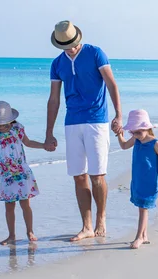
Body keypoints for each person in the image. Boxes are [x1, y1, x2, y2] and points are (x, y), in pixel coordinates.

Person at [45, 20, 123, 241]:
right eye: (65, 45)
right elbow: (53, 99)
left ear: (78, 39)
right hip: (72, 122)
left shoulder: (96, 53)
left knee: (97, 175)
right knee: (79, 176)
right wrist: (49, 132)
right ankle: (86, 226)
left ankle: (101, 219)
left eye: (72, 44)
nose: (70, 48)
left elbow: (111, 84)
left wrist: (118, 114)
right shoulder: (57, 64)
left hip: (96, 121)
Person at [0, 101, 42, 245]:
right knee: (9, 206)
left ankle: (30, 231)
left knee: (25, 204)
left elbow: (28, 143)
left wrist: (44, 146)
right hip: (6, 174)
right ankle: (11, 235)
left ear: (11, 120)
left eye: (4, 123)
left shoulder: (18, 129)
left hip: (21, 171)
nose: (2, 126)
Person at [116, 109, 158, 249]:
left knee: (143, 209)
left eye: (139, 132)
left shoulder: (155, 143)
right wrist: (119, 135)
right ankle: (144, 235)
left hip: (149, 182)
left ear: (147, 128)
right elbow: (123, 146)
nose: (136, 135)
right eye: (133, 132)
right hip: (138, 180)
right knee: (141, 207)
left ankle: (139, 237)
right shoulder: (136, 140)